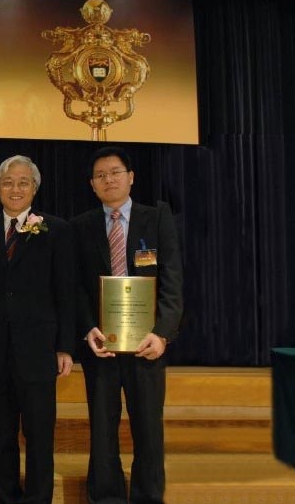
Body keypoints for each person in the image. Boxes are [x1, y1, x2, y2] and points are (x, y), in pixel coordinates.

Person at [71, 146, 183, 504]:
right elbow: (75, 287)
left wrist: (162, 335)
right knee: (102, 428)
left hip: (147, 345)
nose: (109, 180)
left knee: (148, 428)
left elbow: (172, 282)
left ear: (131, 177)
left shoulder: (157, 218)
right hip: (101, 345)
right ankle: (105, 496)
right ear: (92, 184)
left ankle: (148, 496)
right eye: (100, 175)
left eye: (115, 172)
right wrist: (88, 328)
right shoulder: (81, 226)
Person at [0, 155, 75, 504]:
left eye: (23, 182)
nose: (15, 188)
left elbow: (66, 292)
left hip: (39, 351)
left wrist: (64, 346)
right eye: (8, 182)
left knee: (40, 435)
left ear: (34, 189)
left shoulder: (56, 230)